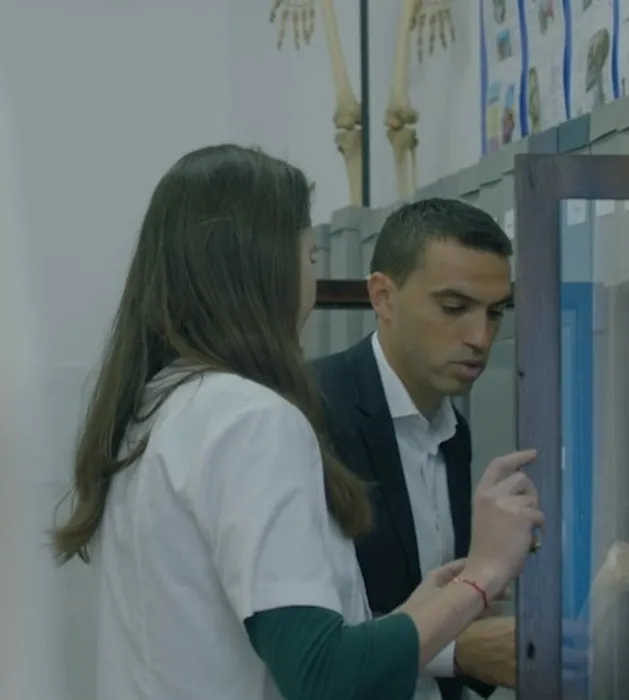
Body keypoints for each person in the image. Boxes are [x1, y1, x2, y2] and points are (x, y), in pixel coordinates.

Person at [49, 145, 544, 700]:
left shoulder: (166, 405)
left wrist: (422, 611)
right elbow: (323, 674)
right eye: (309, 257)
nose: (312, 279)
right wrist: (483, 575)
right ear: (264, 269)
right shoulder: (252, 419)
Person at [311, 198, 524, 699]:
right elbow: (304, 634)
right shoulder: (309, 412)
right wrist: (458, 650)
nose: (480, 337)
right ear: (383, 297)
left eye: (495, 312)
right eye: (454, 308)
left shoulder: (453, 433)